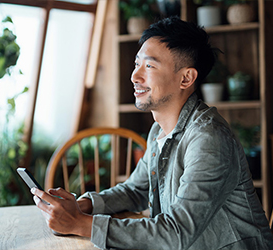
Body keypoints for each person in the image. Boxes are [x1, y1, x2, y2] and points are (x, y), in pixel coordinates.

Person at [31, 16, 273, 249]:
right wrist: (83, 206)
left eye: (149, 66)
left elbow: (176, 233)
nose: (135, 76)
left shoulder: (209, 139)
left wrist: (80, 224)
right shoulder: (160, 130)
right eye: (137, 64)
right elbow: (135, 190)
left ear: (186, 78)